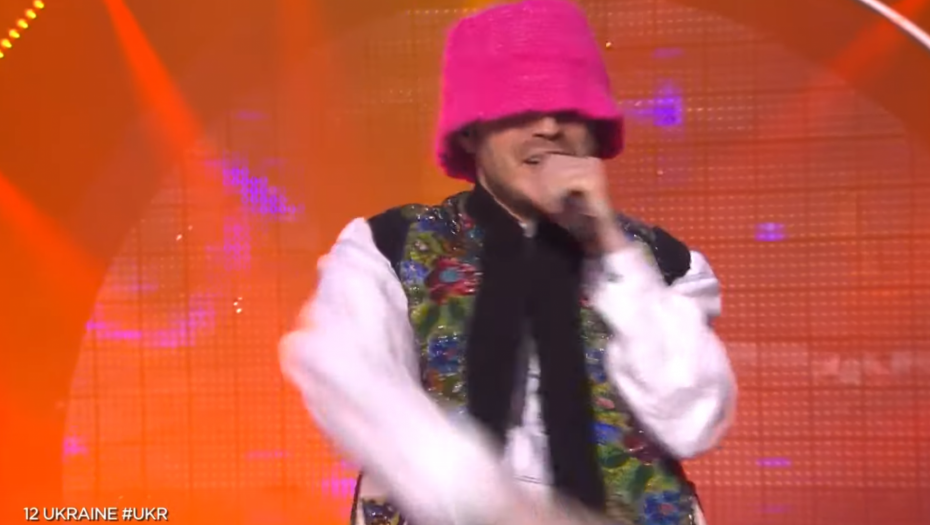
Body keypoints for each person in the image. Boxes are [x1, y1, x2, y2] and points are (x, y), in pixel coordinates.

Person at [279, 1, 736, 524]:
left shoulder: (664, 263)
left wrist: (608, 245)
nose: (549, 126)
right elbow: (349, 375)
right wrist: (498, 505)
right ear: (470, 132)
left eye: (570, 110)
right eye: (524, 107)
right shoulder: (387, 247)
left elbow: (693, 420)